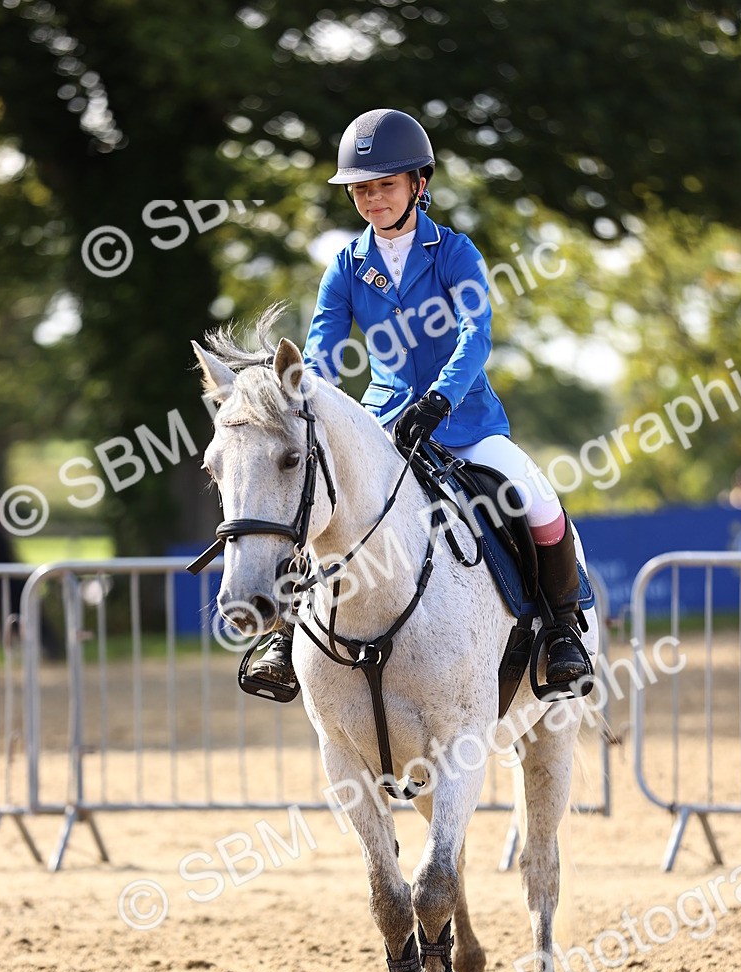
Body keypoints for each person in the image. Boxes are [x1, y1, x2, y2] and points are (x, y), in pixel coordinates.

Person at [248, 108, 588, 692]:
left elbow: (475, 335)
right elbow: (323, 350)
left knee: (536, 499)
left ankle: (561, 631)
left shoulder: (455, 252)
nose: (372, 199)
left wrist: (439, 400)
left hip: (464, 420)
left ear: (418, 185)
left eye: (385, 185)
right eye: (361, 188)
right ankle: (282, 634)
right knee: (317, 500)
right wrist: (304, 398)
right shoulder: (347, 267)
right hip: (383, 423)